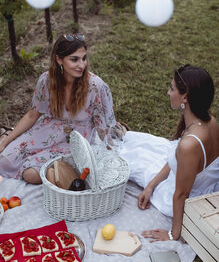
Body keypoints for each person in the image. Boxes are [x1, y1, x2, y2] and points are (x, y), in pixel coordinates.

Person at [119, 64, 219, 242]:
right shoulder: (210, 121)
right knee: (149, 147)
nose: (168, 92)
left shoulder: (189, 145)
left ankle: (120, 142)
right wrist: (150, 185)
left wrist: (173, 234)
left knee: (135, 162)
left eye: (172, 88)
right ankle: (125, 138)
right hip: (197, 179)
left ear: (185, 97)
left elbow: (181, 195)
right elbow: (180, 158)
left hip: (187, 198)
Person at [0, 34, 116, 184]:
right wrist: (5, 142)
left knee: (32, 175)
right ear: (59, 59)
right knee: (4, 160)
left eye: (84, 58)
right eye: (74, 59)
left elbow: (103, 127)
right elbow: (32, 114)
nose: (81, 65)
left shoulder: (96, 86)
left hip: (75, 137)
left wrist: (108, 153)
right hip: (48, 128)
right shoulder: (47, 80)